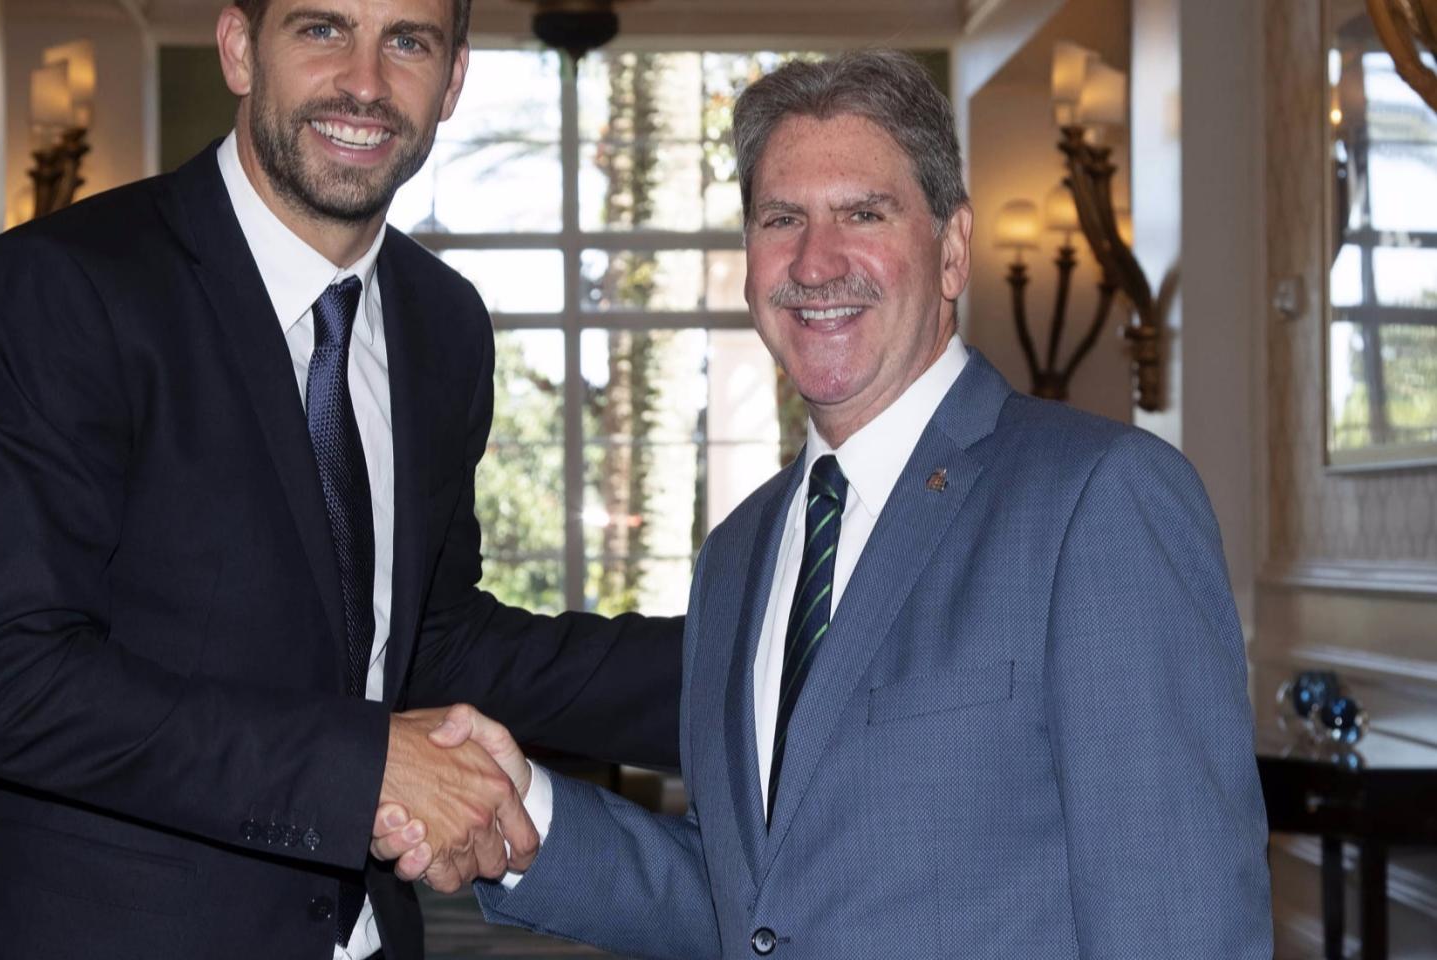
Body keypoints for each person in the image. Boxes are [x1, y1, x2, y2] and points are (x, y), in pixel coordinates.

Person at [408, 50, 1273, 958]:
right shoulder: (739, 554)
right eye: (782, 218)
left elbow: (1183, 922)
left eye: (864, 213)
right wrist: (523, 813)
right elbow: (755, 902)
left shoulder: (1099, 500)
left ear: (951, 250)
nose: (816, 262)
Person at [0, 1, 679, 957]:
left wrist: (763, 675)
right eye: (323, 29)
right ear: (241, 49)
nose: (365, 81)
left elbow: (431, 643)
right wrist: (364, 773)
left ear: (452, 82)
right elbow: (4, 678)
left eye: (408, 41)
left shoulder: (444, 323)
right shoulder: (61, 286)